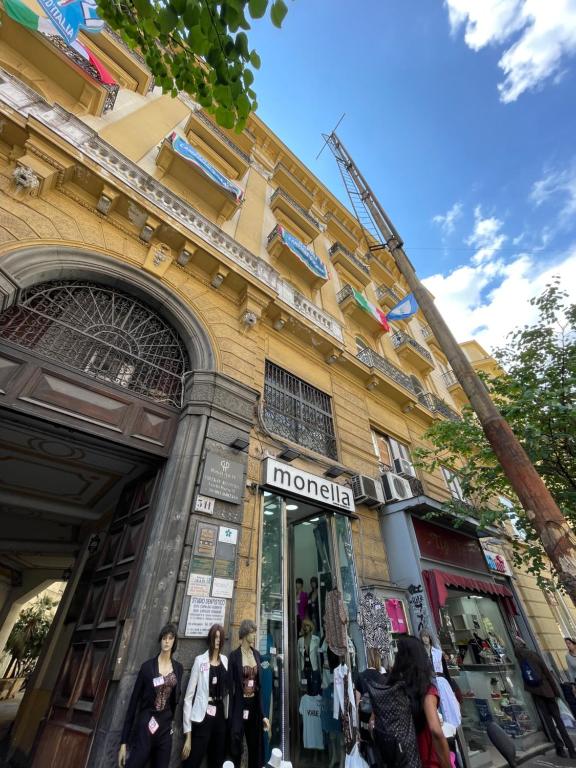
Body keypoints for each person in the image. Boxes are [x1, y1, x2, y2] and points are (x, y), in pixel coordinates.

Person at [118, 623, 183, 768]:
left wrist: (170, 721)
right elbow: (133, 704)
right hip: (147, 723)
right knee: (135, 763)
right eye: (164, 638)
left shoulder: (178, 668)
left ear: (174, 642)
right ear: (160, 640)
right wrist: (124, 742)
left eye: (170, 638)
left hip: (165, 727)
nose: (166, 641)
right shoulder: (147, 667)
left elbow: (175, 698)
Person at [386, 636, 451, 768]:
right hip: (427, 760)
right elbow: (436, 731)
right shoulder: (425, 689)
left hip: (402, 759)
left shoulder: (393, 688)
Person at [515, 638, 576, 758]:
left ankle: (560, 748)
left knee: (548, 722)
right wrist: (557, 692)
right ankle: (571, 749)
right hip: (548, 691)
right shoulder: (534, 655)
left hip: (536, 692)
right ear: (525, 644)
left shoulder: (519, 657)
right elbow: (547, 673)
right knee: (559, 721)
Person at [182, 623, 228, 768]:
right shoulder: (200, 660)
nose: (217, 641)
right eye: (215, 637)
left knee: (217, 759)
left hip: (220, 714)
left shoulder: (225, 661)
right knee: (194, 759)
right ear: (210, 638)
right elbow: (188, 697)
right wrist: (187, 732)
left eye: (220, 638)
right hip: (203, 714)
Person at [228, 619, 270, 768]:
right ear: (245, 634)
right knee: (236, 742)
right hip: (240, 703)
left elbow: (259, 684)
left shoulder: (256, 655)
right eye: (252, 633)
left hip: (254, 705)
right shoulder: (234, 656)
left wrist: (264, 714)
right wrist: (230, 713)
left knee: (255, 745)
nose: (254, 636)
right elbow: (229, 686)